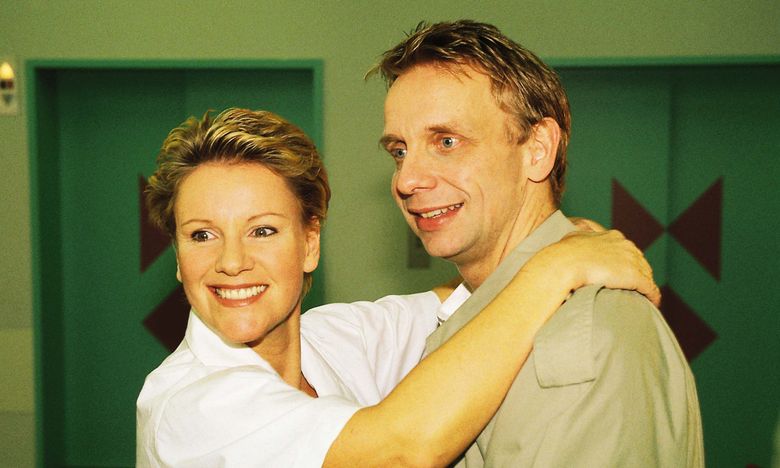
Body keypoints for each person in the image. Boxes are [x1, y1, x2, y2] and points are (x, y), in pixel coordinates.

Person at [135, 108, 658, 467]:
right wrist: (556, 268)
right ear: (178, 257)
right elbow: (403, 450)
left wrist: (557, 239)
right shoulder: (189, 406)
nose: (231, 262)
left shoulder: (334, 337)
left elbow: (463, 298)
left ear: (310, 243)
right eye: (201, 235)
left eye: (263, 231)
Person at [365, 20, 704, 466]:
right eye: (399, 151)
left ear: (538, 149)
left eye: (446, 141)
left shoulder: (580, 335)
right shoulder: (493, 312)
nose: (407, 180)